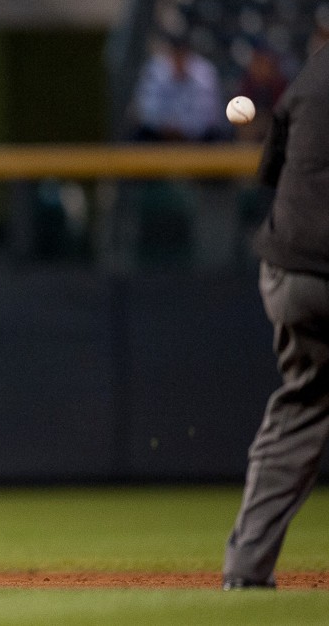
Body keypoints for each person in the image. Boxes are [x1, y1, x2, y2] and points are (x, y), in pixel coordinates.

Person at [223, 40, 329, 591]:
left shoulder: (310, 77)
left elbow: (271, 174)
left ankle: (246, 568)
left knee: (303, 405)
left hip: (290, 274)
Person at [130, 34, 226, 142]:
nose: (179, 59)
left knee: (215, 135)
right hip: (160, 133)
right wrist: (166, 126)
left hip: (195, 136)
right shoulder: (155, 71)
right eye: (176, 54)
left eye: (183, 54)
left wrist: (183, 129)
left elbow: (210, 115)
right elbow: (146, 110)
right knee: (139, 134)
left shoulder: (204, 73)